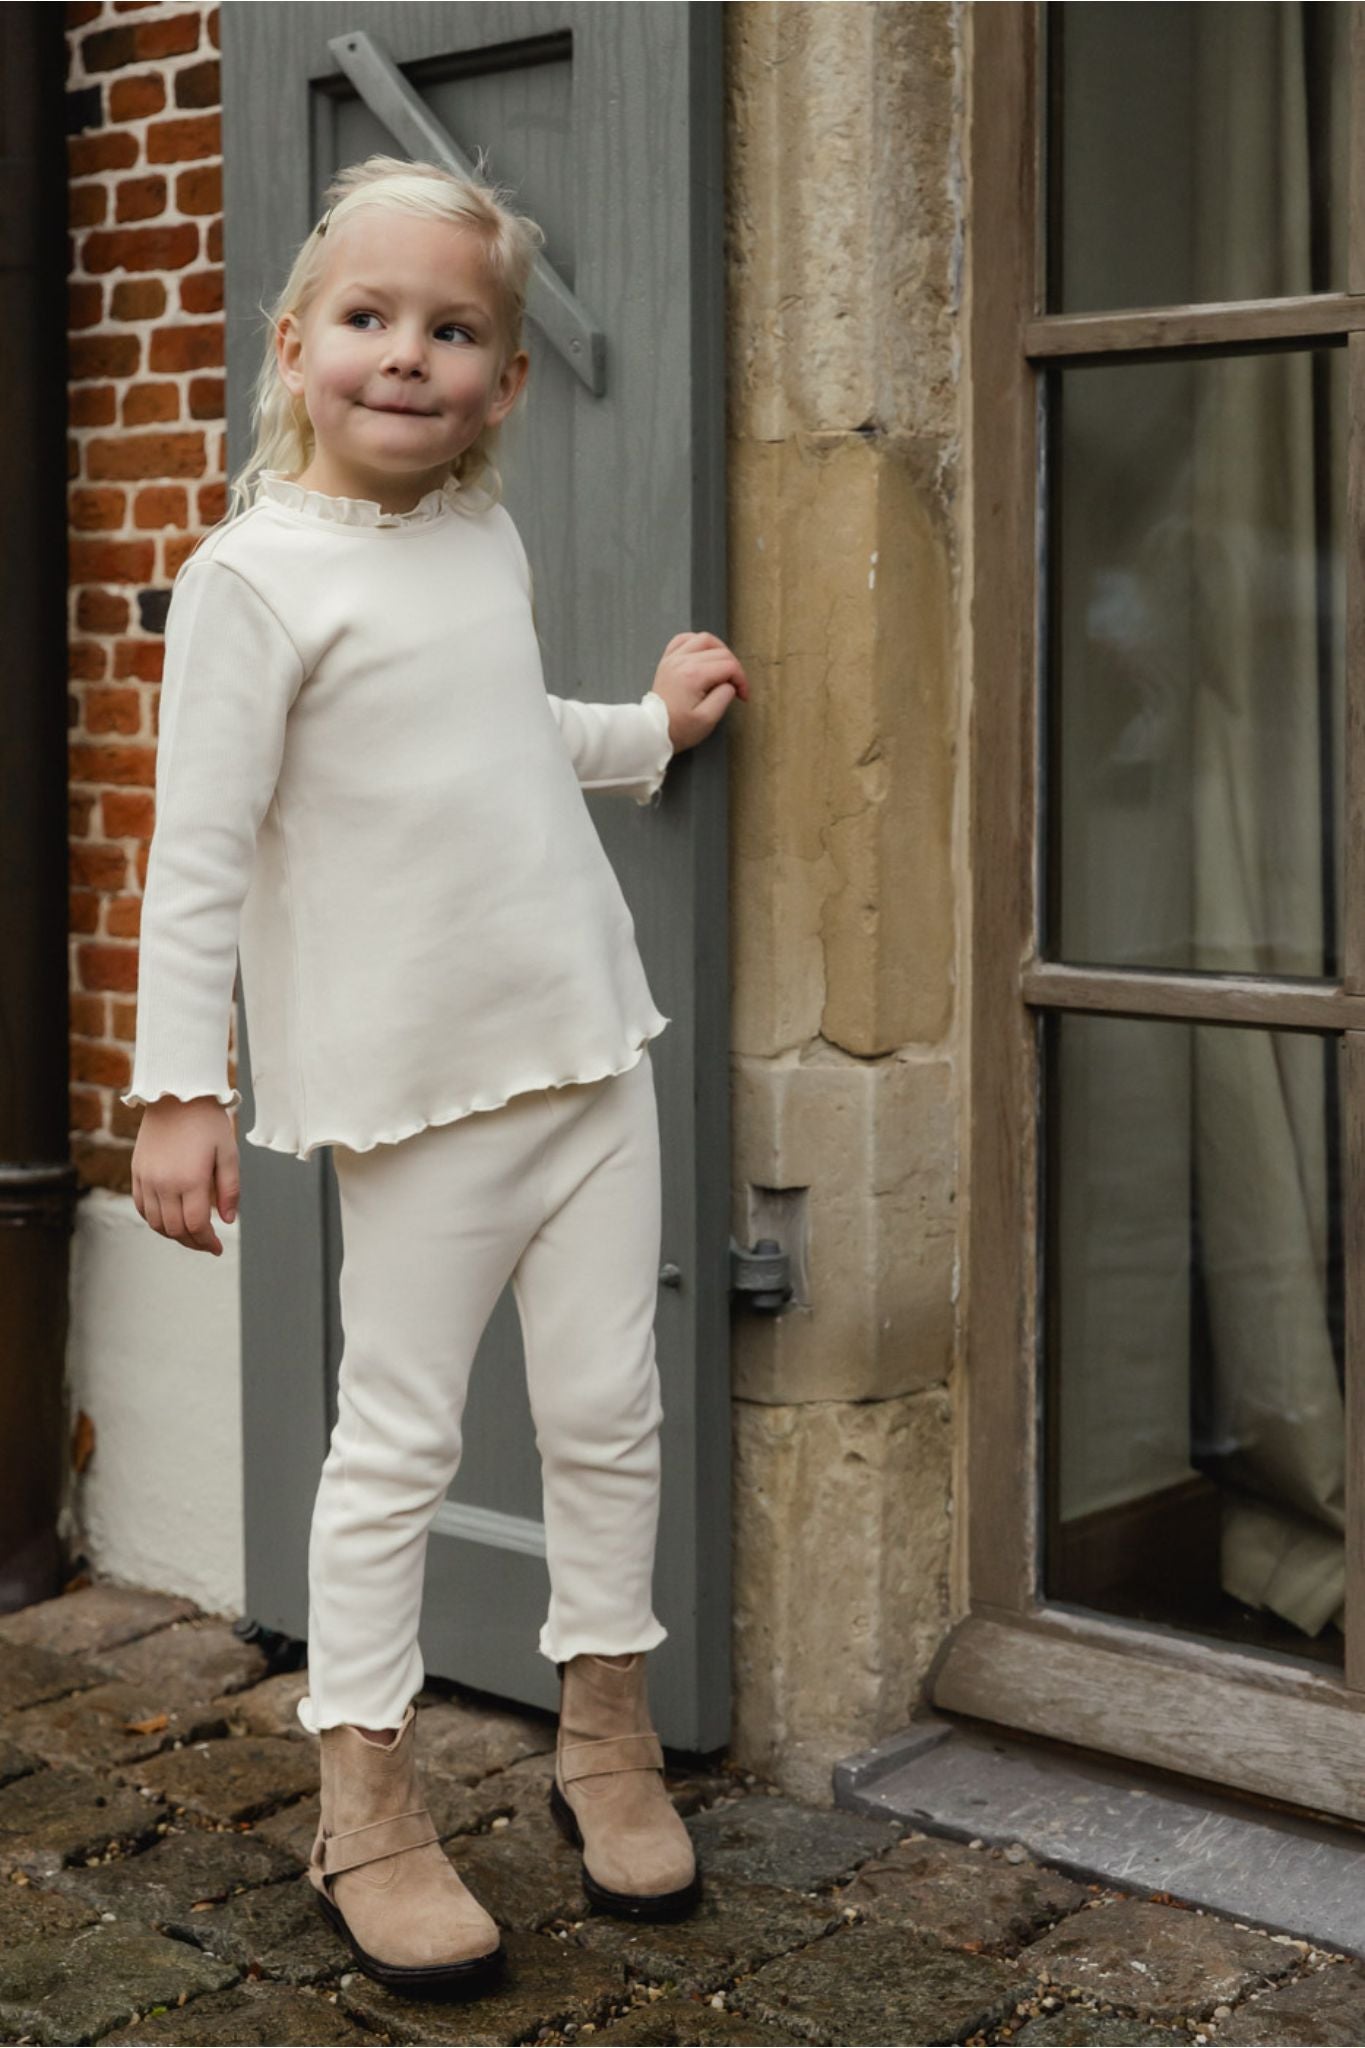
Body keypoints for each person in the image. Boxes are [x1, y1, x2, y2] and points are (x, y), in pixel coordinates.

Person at [121, 151, 747, 2000]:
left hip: (585, 1046)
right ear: (294, 346)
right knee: (397, 1442)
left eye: (453, 330)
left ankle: (605, 1735)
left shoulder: (480, 540)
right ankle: (366, 1802)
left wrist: (647, 728)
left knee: (607, 1409)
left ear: (505, 380)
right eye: (369, 319)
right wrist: (178, 1088)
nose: (409, 354)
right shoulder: (250, 581)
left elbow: (497, 730)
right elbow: (196, 853)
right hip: (419, 1096)